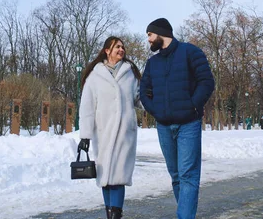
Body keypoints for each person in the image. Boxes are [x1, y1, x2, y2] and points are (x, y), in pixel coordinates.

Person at [139, 18, 215, 219]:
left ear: (161, 33)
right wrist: (155, 110)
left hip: (189, 123)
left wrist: (192, 105)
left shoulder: (190, 52)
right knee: (175, 176)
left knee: (188, 175)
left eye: (149, 35)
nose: (148, 39)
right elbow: (144, 92)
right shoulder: (152, 63)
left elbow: (206, 82)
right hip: (163, 126)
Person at [78, 36, 142, 219]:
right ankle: (110, 215)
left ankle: (116, 215)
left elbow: (139, 99)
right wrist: (85, 136)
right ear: (107, 50)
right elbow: (87, 107)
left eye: (123, 47)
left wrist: (156, 101)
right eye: (117, 47)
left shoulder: (130, 74)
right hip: (103, 132)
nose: (121, 50)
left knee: (118, 176)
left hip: (125, 133)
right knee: (105, 178)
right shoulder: (95, 75)